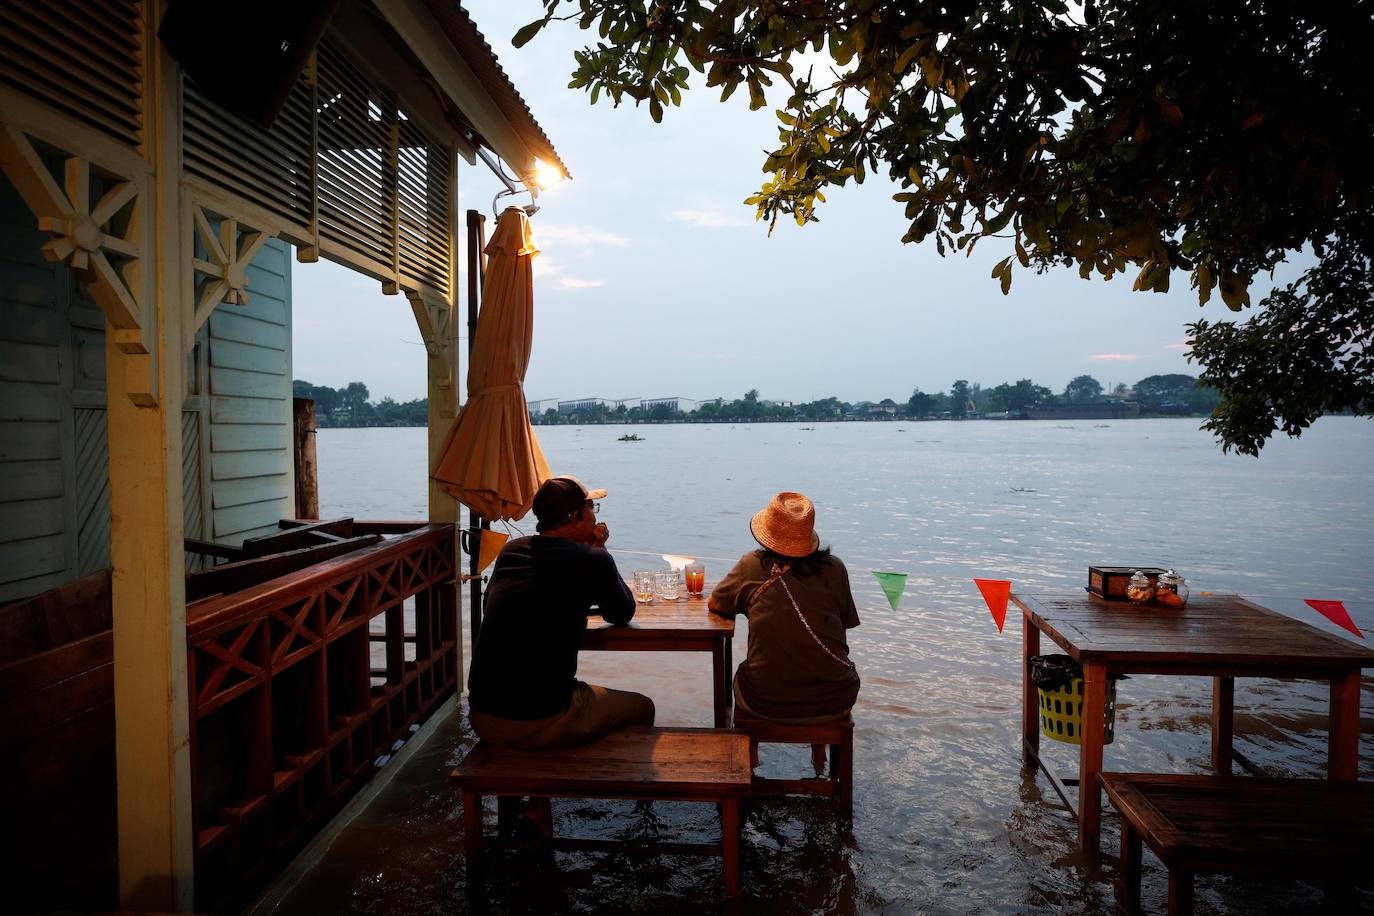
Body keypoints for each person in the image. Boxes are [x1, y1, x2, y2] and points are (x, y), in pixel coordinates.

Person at [466, 475, 655, 752]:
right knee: (642, 707)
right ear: (577, 516)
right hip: (543, 719)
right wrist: (599, 551)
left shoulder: (511, 551)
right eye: (592, 509)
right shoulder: (592, 558)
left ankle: (537, 793)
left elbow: (490, 605)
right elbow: (622, 612)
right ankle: (613, 777)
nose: (595, 517)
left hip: (482, 715)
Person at [708, 491, 860, 768]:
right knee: (813, 658)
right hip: (835, 696)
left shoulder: (751, 565)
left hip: (766, 699)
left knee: (748, 673)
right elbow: (841, 631)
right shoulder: (835, 568)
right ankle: (819, 752)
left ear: (767, 532)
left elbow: (717, 603)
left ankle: (750, 758)